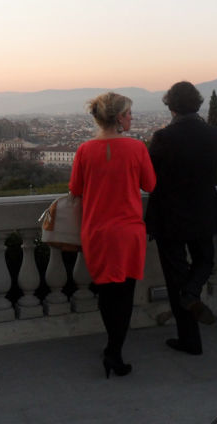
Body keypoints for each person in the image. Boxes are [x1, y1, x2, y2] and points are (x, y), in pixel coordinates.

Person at [69, 92, 156, 378]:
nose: (132, 118)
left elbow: (76, 191)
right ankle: (114, 351)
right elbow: (150, 184)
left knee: (107, 292)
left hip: (96, 231)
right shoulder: (137, 149)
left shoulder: (84, 151)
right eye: (129, 113)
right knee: (125, 293)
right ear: (119, 118)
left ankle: (112, 349)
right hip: (128, 232)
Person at [146, 81, 217, 356]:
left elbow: (149, 177)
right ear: (198, 103)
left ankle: (189, 339)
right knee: (205, 260)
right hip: (203, 210)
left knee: (175, 275)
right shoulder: (215, 134)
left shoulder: (163, 137)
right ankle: (192, 292)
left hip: (170, 215)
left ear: (171, 105)